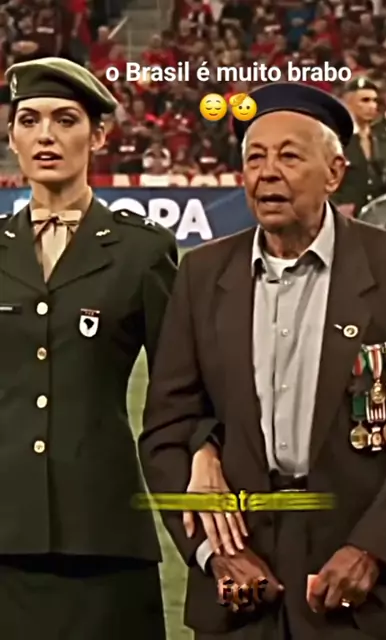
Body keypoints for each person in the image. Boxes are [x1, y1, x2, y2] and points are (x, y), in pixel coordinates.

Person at [139, 81, 386, 640]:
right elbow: (165, 429)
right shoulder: (201, 274)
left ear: (335, 172)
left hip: (359, 592)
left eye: (289, 157)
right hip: (242, 591)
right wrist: (214, 554)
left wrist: (373, 549)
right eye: (254, 158)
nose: (267, 173)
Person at [0, 56, 178, 639]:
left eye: (65, 119)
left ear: (98, 136)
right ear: (12, 136)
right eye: (29, 120)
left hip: (104, 536)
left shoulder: (141, 251)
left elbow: (181, 392)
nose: (45, 136)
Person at [332, 76, 386, 218]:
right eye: (365, 100)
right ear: (348, 102)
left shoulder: (381, 136)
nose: (372, 106)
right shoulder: (337, 139)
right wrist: (335, 206)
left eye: (374, 100)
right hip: (346, 216)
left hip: (377, 215)